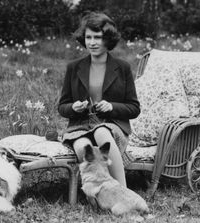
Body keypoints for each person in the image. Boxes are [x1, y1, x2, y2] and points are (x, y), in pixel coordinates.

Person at [58, 12, 140, 187]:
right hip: (79, 127)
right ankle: (98, 194)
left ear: (108, 39)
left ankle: (122, 191)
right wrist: (74, 107)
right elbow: (62, 107)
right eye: (88, 37)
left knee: (100, 132)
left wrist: (111, 107)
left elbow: (134, 108)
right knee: (82, 147)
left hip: (112, 126)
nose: (92, 42)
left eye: (98, 37)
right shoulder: (74, 68)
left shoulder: (122, 68)